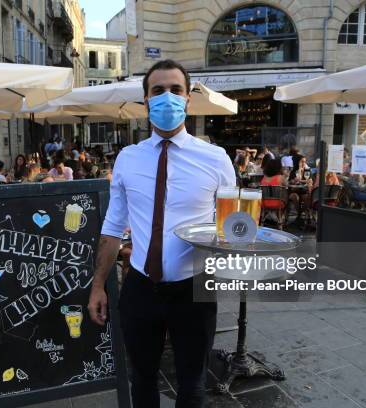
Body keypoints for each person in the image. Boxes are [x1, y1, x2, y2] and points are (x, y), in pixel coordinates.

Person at [88, 60, 236, 408]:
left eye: (176, 90)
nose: (167, 97)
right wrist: (97, 286)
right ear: (146, 101)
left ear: (188, 100)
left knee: (193, 385)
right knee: (142, 380)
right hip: (140, 287)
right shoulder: (127, 158)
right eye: (158, 91)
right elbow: (112, 228)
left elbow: (232, 228)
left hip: (194, 288)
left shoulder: (216, 159)